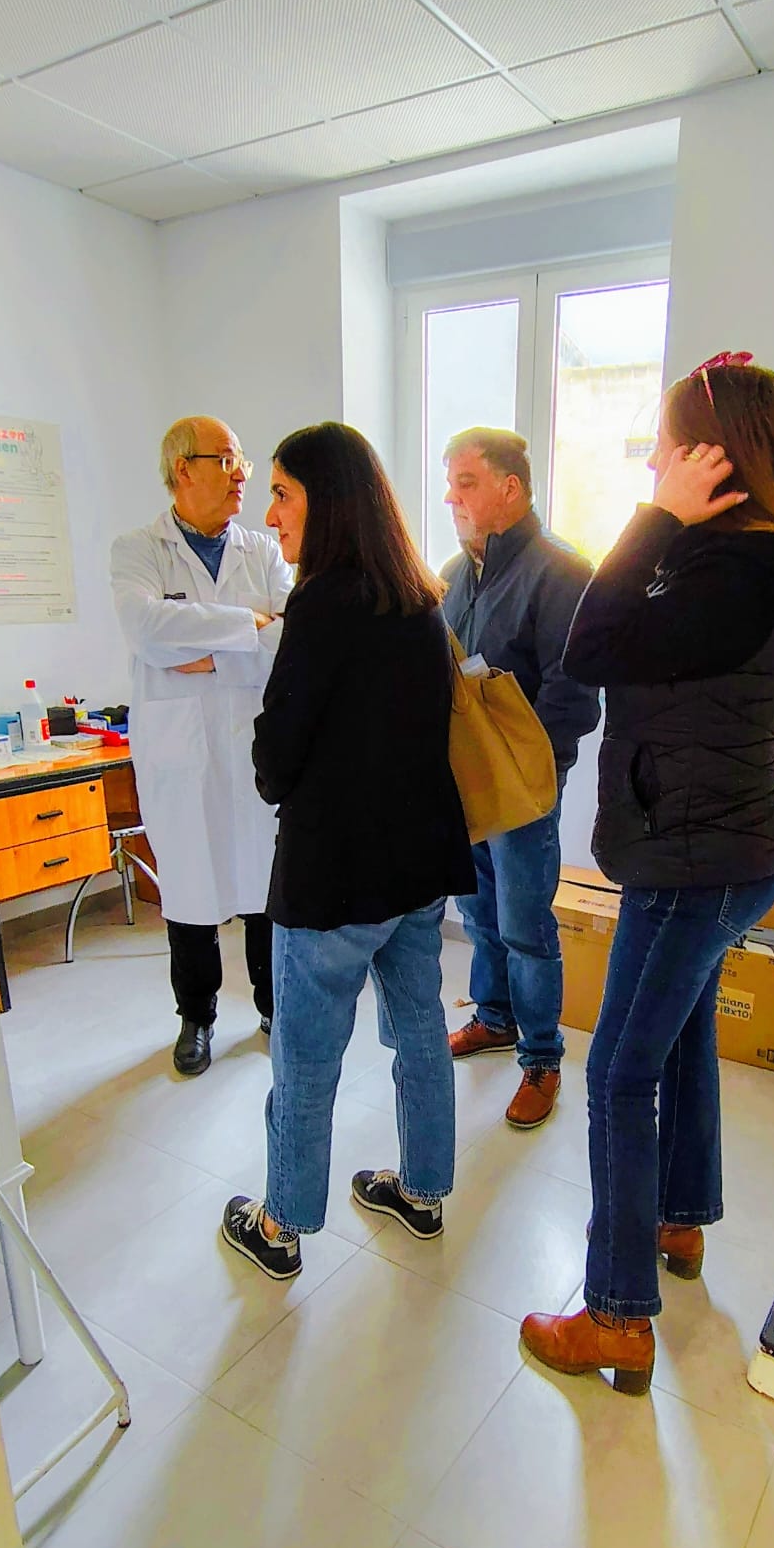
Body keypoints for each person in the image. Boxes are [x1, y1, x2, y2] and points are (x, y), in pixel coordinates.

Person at [520, 354, 774, 1394]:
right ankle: (680, 1218)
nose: (654, 463)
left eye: (667, 447)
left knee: (618, 1072)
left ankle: (617, 1316)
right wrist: (673, 525)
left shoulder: (734, 569)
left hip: (692, 859)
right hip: (738, 845)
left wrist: (653, 519)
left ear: (714, 456)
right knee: (682, 1034)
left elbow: (589, 645)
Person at [220, 423, 476, 1281]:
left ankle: (281, 1225)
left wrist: (271, 739)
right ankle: (423, 1192)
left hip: (335, 878)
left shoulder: (322, 604)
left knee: (306, 1058)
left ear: (326, 500)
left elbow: (276, 758)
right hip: (418, 867)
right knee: (421, 1033)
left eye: (282, 493)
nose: (270, 513)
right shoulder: (419, 598)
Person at [111, 417, 294, 1076]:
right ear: (184, 468)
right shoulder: (138, 549)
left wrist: (206, 653)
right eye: (227, 459)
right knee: (189, 889)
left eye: (242, 460)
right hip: (180, 752)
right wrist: (249, 625)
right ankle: (197, 1016)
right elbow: (146, 628)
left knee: (263, 886)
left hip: (251, 744)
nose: (242, 474)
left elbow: (291, 636)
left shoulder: (262, 551)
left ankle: (274, 1008)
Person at [440, 429, 600, 1131]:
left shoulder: (561, 570)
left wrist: (532, 771)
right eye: (450, 482)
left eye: (466, 482)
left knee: (527, 927)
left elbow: (575, 693)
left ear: (511, 487)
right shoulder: (455, 573)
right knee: (479, 913)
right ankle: (496, 1017)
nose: (451, 497)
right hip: (465, 779)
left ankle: (541, 1059)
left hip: (524, 786)